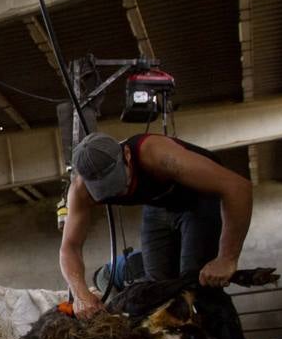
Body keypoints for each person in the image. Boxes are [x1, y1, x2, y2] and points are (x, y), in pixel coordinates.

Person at [58, 132, 253, 319]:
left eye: (118, 183)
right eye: (106, 190)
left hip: (197, 199)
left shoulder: (157, 155)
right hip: (157, 205)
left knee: (197, 285)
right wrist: (80, 293)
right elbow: (70, 247)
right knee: (157, 291)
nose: (117, 193)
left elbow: (237, 188)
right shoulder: (80, 190)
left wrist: (227, 258)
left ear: (126, 154)